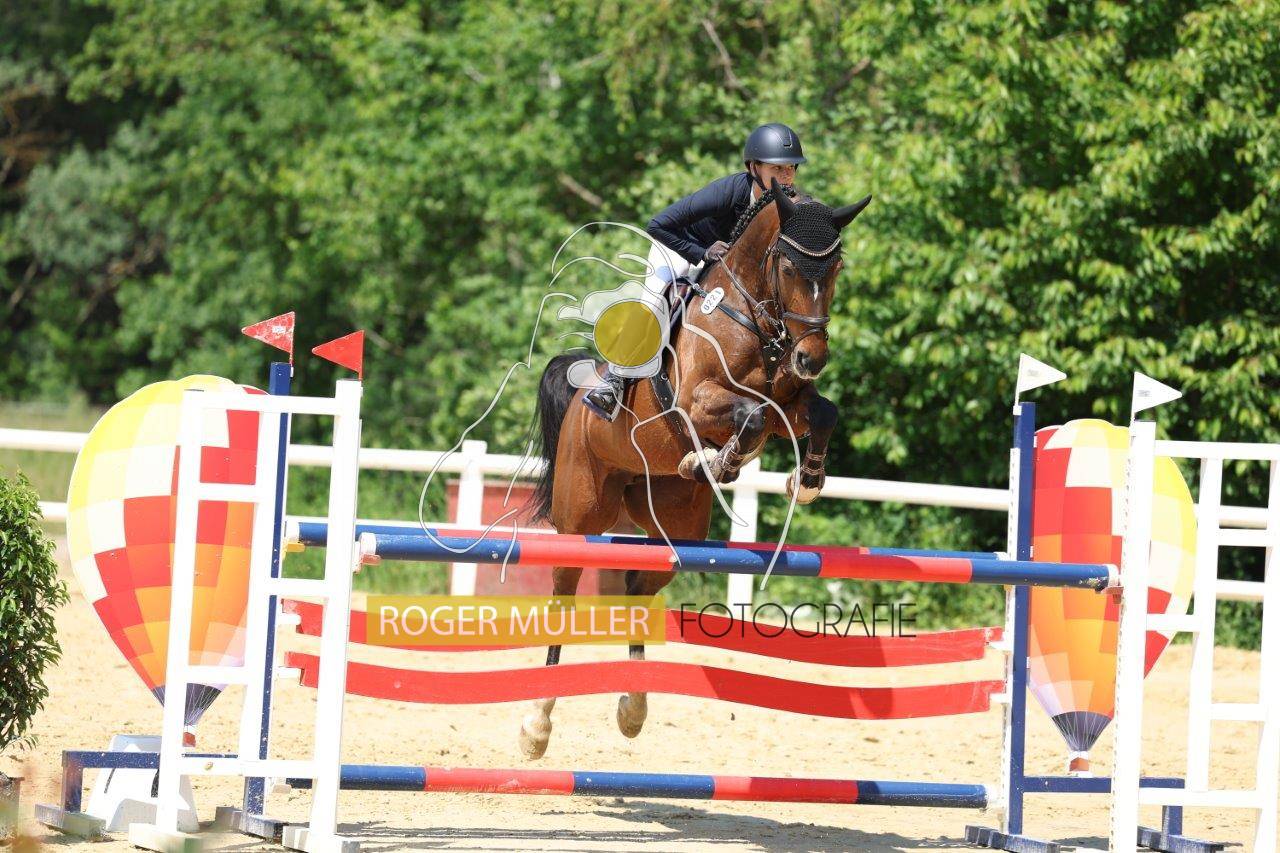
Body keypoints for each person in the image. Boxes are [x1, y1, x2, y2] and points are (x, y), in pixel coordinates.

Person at [583, 123, 806, 421]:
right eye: (777, 168)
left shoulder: (787, 204)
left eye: (791, 168)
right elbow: (658, 225)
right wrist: (701, 252)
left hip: (721, 265)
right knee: (654, 305)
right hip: (678, 248)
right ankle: (613, 381)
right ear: (754, 167)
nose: (787, 176)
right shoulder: (727, 192)